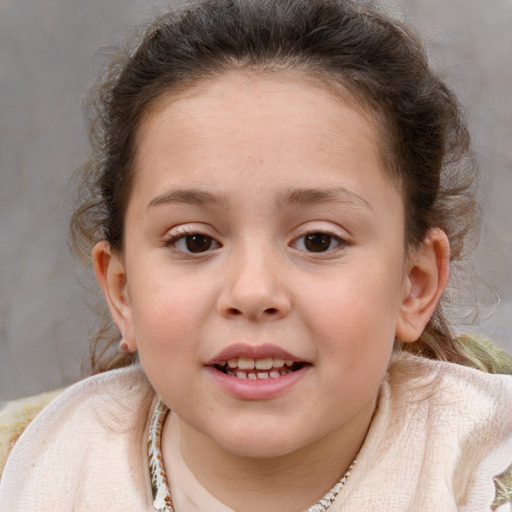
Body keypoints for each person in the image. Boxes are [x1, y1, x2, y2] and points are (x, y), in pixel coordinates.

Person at [0, 0, 511, 510]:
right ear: (122, 290)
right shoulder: (32, 472)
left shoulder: (482, 478)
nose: (253, 292)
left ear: (414, 283)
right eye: (194, 241)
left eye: (318, 240)